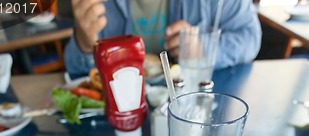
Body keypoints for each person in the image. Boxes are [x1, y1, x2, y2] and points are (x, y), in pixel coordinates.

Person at [64, 0, 262, 78]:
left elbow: (250, 36)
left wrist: (204, 49)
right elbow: (76, 68)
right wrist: (84, 43)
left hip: (196, 109)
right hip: (117, 122)